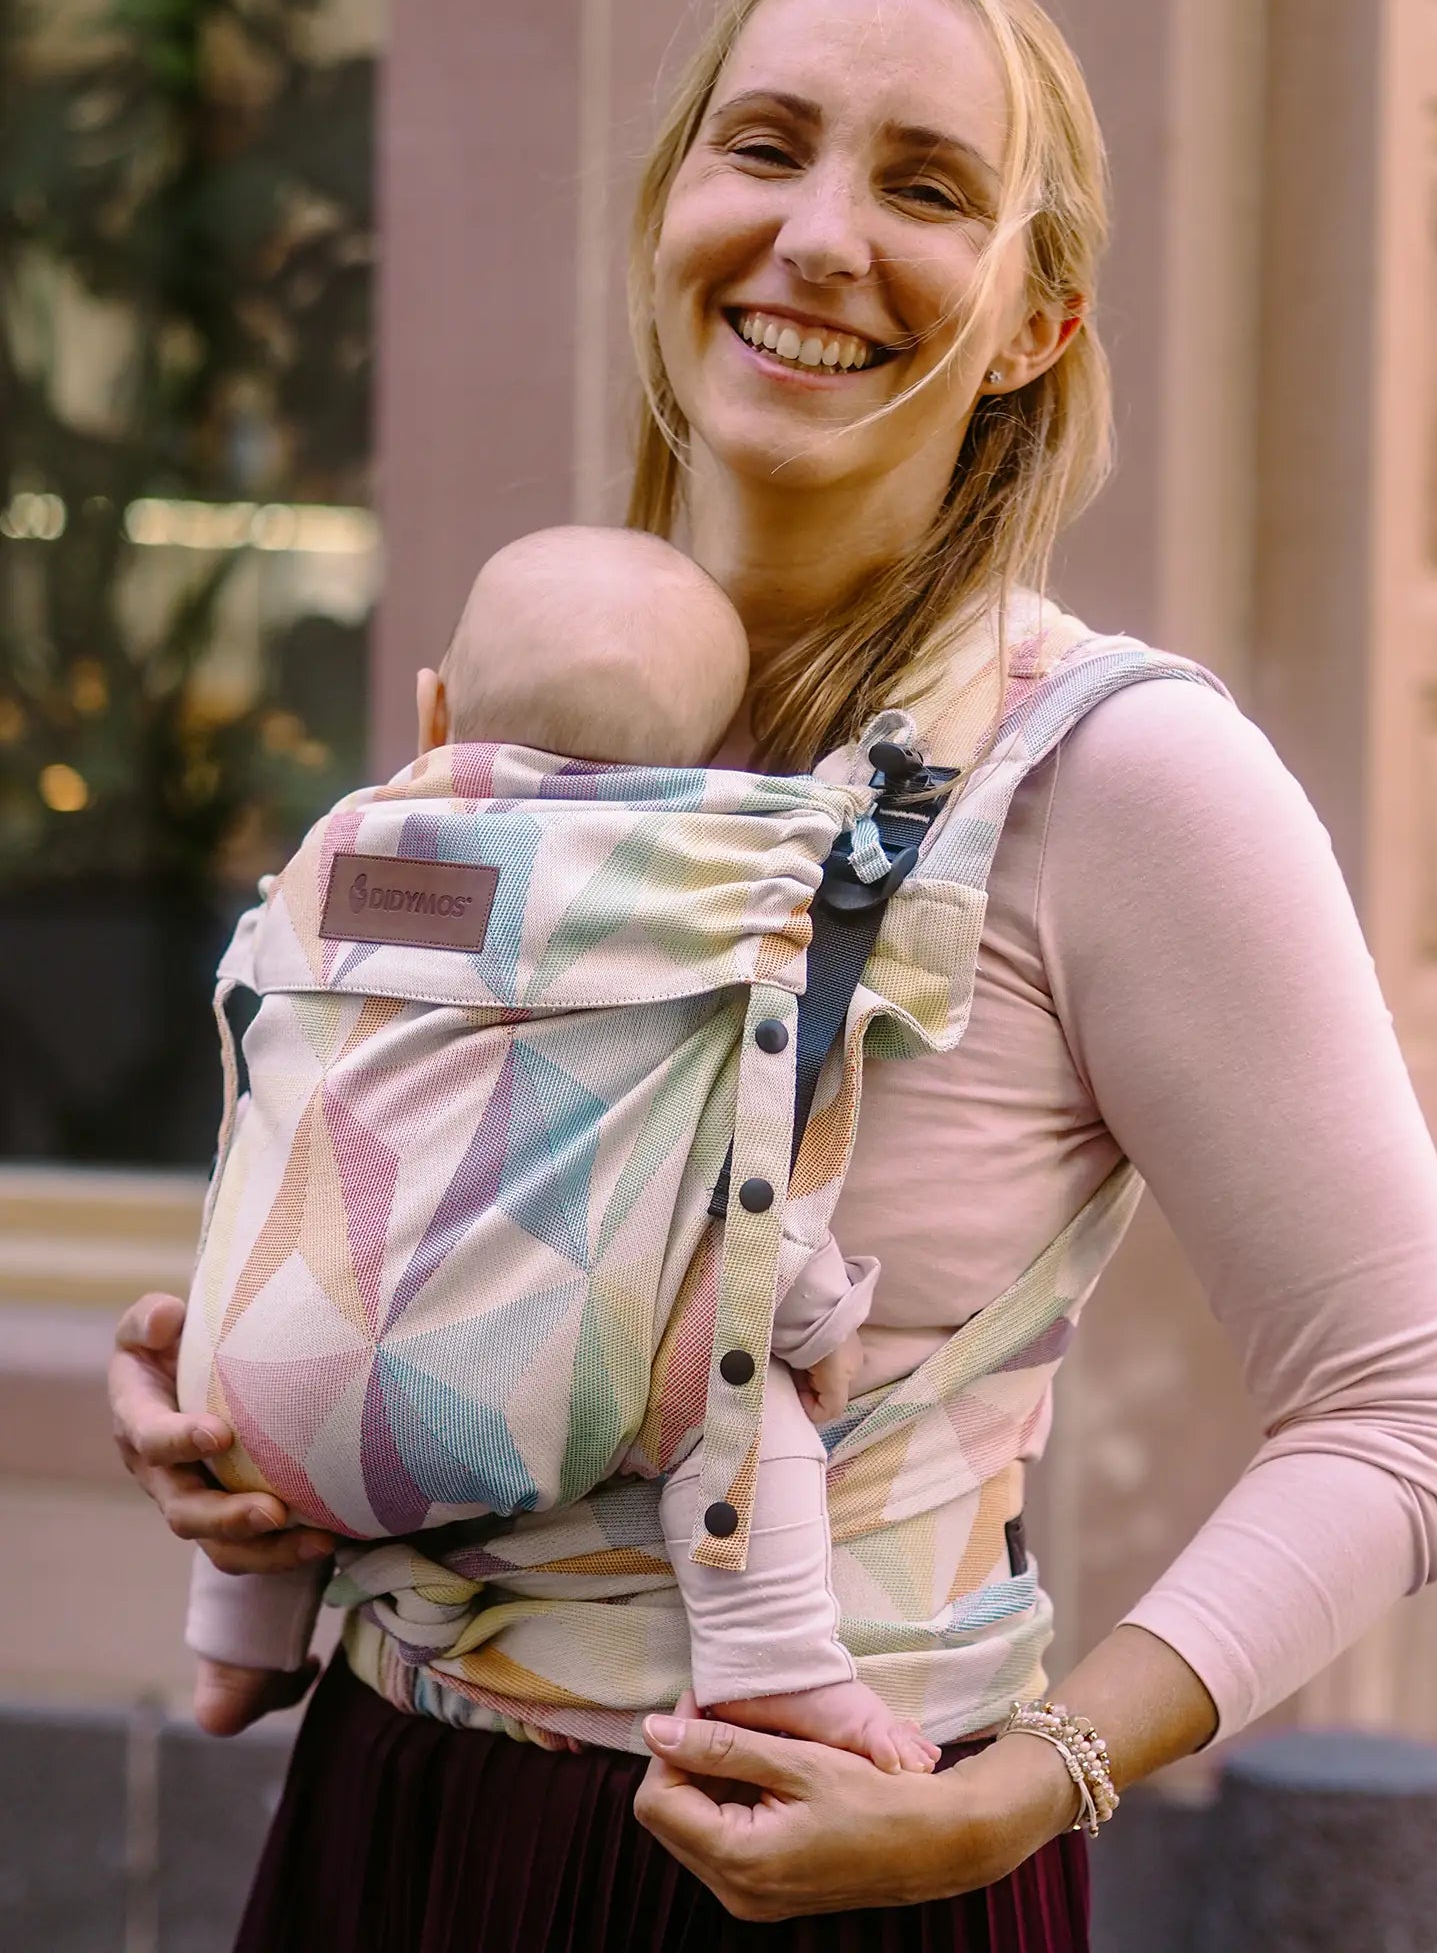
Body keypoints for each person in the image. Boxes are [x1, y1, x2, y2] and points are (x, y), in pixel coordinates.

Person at [108, 0, 1437, 1945]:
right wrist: (255, 1418)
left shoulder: (1119, 778)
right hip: (382, 1809)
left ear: (1034, 322)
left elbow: (1407, 1419)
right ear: (668, 208)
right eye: (762, 147)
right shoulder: (510, 727)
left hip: (826, 1872)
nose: (823, 235)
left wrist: (1024, 1795)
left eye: (925, 186)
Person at [183, 523, 936, 1778]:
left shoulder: (340, 861)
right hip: (533, 1389)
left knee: (281, 1239)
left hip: (258, 1396)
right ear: (718, 765)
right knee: (746, 1398)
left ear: (434, 711)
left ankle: (237, 1638)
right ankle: (779, 1669)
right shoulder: (704, 899)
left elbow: (267, 1103)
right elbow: (731, 1151)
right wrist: (801, 1317)